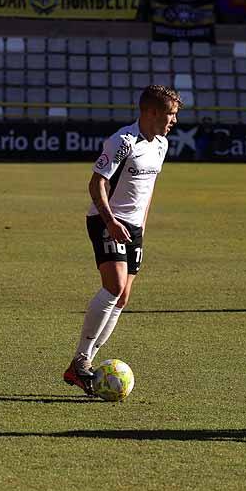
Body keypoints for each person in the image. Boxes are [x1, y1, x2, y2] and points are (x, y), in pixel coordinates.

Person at [63, 85, 183, 395]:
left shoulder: (162, 145)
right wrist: (111, 221)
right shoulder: (122, 141)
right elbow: (97, 183)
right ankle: (80, 362)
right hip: (106, 221)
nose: (174, 120)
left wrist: (141, 226)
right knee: (113, 287)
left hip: (134, 228)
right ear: (151, 112)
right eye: (170, 114)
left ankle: (84, 363)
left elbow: (148, 190)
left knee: (124, 297)